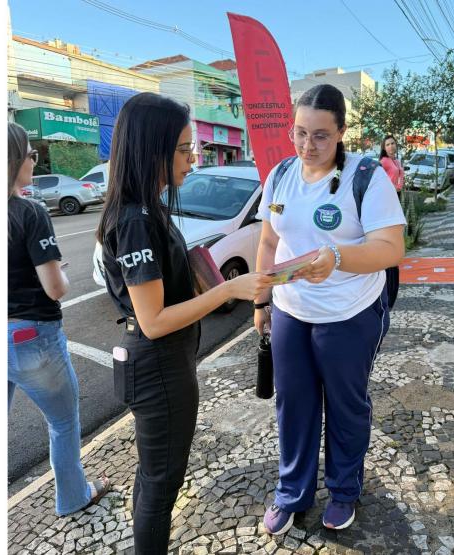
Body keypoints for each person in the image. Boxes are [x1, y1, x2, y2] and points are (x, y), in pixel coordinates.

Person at [95, 92, 272, 554]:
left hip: (164, 364)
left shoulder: (147, 207)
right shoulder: (135, 218)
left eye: (191, 148)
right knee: (160, 487)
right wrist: (227, 290)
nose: (191, 159)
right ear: (150, 149)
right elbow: (152, 321)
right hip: (157, 366)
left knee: (155, 478)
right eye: (182, 149)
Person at [253, 84, 406, 534]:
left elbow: (390, 247)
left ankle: (343, 491)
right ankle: (292, 492)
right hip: (291, 311)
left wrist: (337, 258)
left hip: (349, 312)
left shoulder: (366, 176)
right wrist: (262, 301)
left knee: (345, 405)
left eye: (320, 135)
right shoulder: (280, 175)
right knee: (293, 403)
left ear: (341, 132)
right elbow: (268, 241)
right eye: (300, 132)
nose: (307, 145)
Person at [7, 122, 110, 517]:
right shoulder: (29, 212)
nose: (34, 160)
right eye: (31, 154)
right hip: (33, 336)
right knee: (63, 423)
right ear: (15, 161)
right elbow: (55, 288)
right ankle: (72, 496)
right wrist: (59, 270)